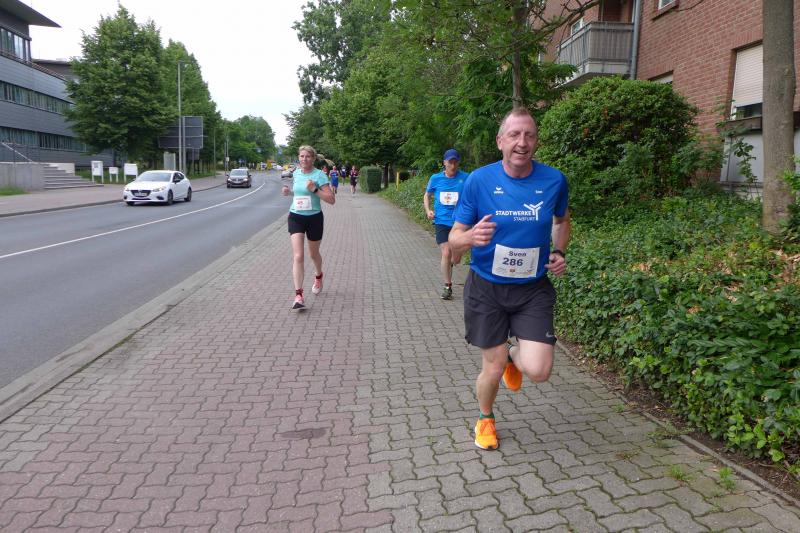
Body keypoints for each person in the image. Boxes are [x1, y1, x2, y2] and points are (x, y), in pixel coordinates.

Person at [449, 108, 570, 450]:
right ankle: (485, 418)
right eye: (514, 135)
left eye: (529, 135)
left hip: (532, 289)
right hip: (486, 287)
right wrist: (470, 237)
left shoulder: (554, 180)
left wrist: (559, 252)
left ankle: (515, 356)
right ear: (500, 141)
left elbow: (562, 221)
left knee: (539, 371)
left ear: (537, 142)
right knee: (492, 364)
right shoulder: (479, 181)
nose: (522, 142)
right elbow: (453, 240)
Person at [281, 145, 336, 310]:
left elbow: (331, 199)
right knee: (298, 256)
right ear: (298, 158)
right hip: (296, 216)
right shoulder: (296, 173)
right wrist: (289, 193)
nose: (304, 159)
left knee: (313, 254)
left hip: (314, 219)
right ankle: (298, 296)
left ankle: (318, 276)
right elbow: (299, 193)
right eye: (302, 156)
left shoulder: (320, 175)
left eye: (308, 156)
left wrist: (315, 189)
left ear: (313, 158)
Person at [423, 149, 469, 300]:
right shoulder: (436, 178)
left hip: (459, 222)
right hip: (441, 220)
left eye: (455, 162)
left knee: (456, 259)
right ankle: (447, 286)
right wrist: (428, 210)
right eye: (450, 162)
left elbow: (473, 195)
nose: (453, 165)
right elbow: (427, 195)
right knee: (446, 252)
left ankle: (452, 262)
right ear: (444, 163)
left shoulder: (466, 178)